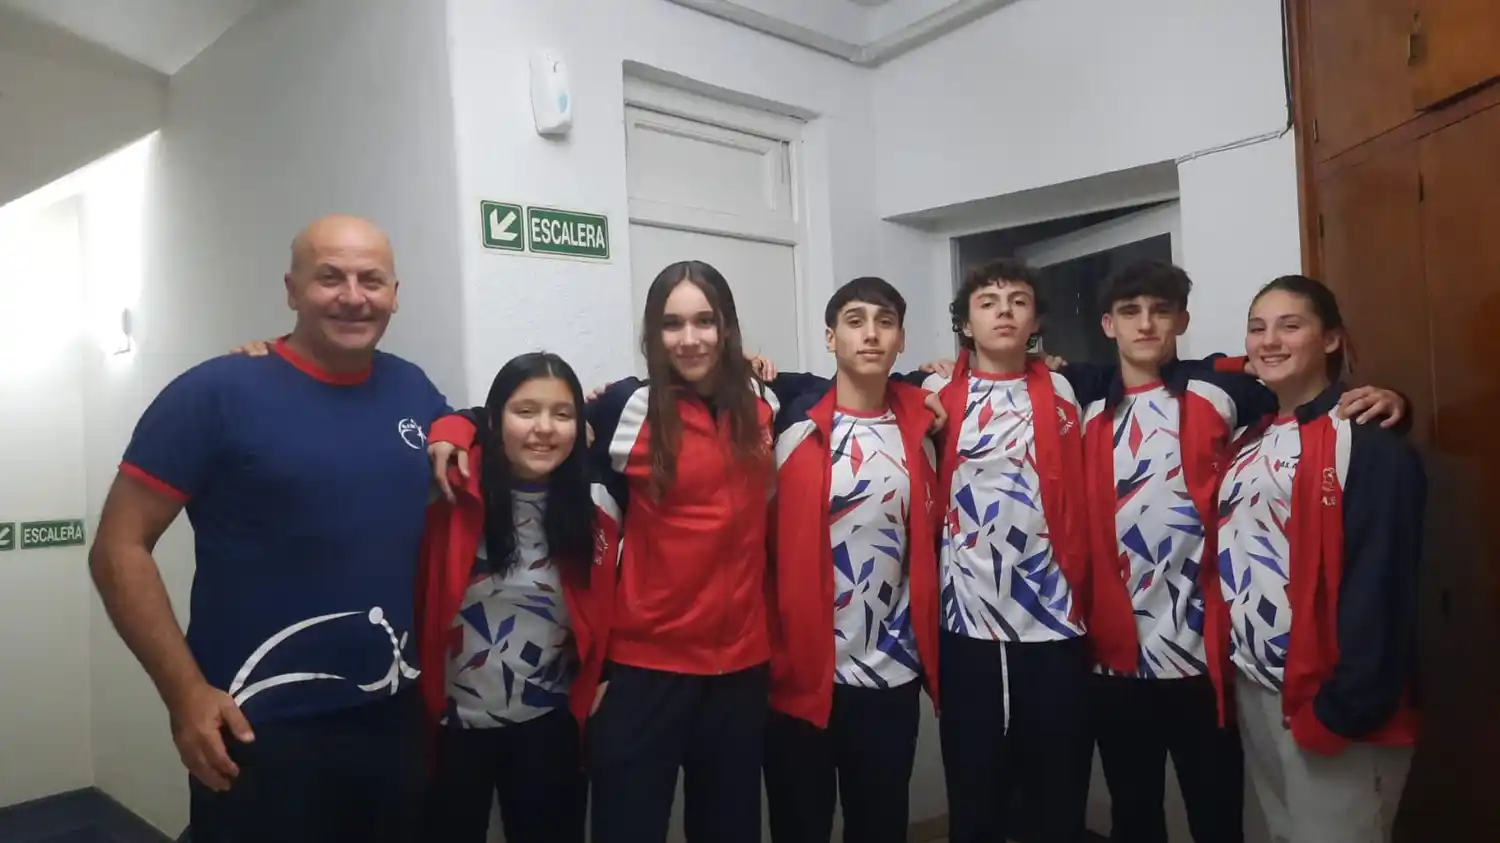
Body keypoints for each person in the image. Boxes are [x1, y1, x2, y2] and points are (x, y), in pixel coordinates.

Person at [89, 215, 448, 842]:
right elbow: (119, 547)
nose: (353, 296)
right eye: (329, 277)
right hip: (255, 727)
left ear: (395, 292)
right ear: (291, 289)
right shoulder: (217, 392)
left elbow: (470, 434)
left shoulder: (412, 389)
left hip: (391, 718)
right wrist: (185, 694)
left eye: (372, 280)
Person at [428, 260, 782, 843]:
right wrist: (453, 427)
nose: (689, 339)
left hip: (741, 668)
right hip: (646, 670)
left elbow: (828, 390)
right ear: (652, 334)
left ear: (728, 328)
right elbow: (530, 420)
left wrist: (923, 381)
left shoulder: (765, 401)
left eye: (704, 321)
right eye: (671, 324)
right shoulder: (625, 408)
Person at [1076, 262, 1408, 843]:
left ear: (1183, 320)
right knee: (1143, 813)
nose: (1145, 324)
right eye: (1129, 312)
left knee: (1221, 815)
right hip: (1145, 661)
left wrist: (1387, 397)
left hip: (1214, 662)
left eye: (1160, 310)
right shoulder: (1085, 403)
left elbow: (1319, 407)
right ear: (1108, 325)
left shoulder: (1230, 392)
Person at [1212, 275, 1423, 843]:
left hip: (1334, 703)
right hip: (1256, 691)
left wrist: (1341, 710)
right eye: (1258, 328)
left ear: (1332, 340)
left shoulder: (1368, 438)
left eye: (1290, 325)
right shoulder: (1249, 438)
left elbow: (1384, 583)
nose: (1269, 340)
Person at [911, 258, 1098, 843]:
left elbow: (1170, 372)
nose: (1004, 312)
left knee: (1058, 787)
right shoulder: (933, 392)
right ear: (965, 323)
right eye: (988, 302)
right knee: (975, 786)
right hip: (968, 618)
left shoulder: (1071, 387)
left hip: (1057, 618)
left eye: (1018, 301)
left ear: (1035, 318)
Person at [763, 277, 940, 843]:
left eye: (884, 322)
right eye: (856, 320)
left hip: (889, 673)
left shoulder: (923, 427)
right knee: (801, 826)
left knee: (880, 826)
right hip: (799, 673)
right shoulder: (787, 426)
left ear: (901, 339)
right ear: (830, 337)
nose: (870, 333)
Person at [414, 352, 597, 843]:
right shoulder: (449, 488)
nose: (544, 428)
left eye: (562, 414)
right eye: (526, 411)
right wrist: (456, 425)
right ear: (494, 420)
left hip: (547, 727)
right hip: (448, 730)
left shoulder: (595, 506)